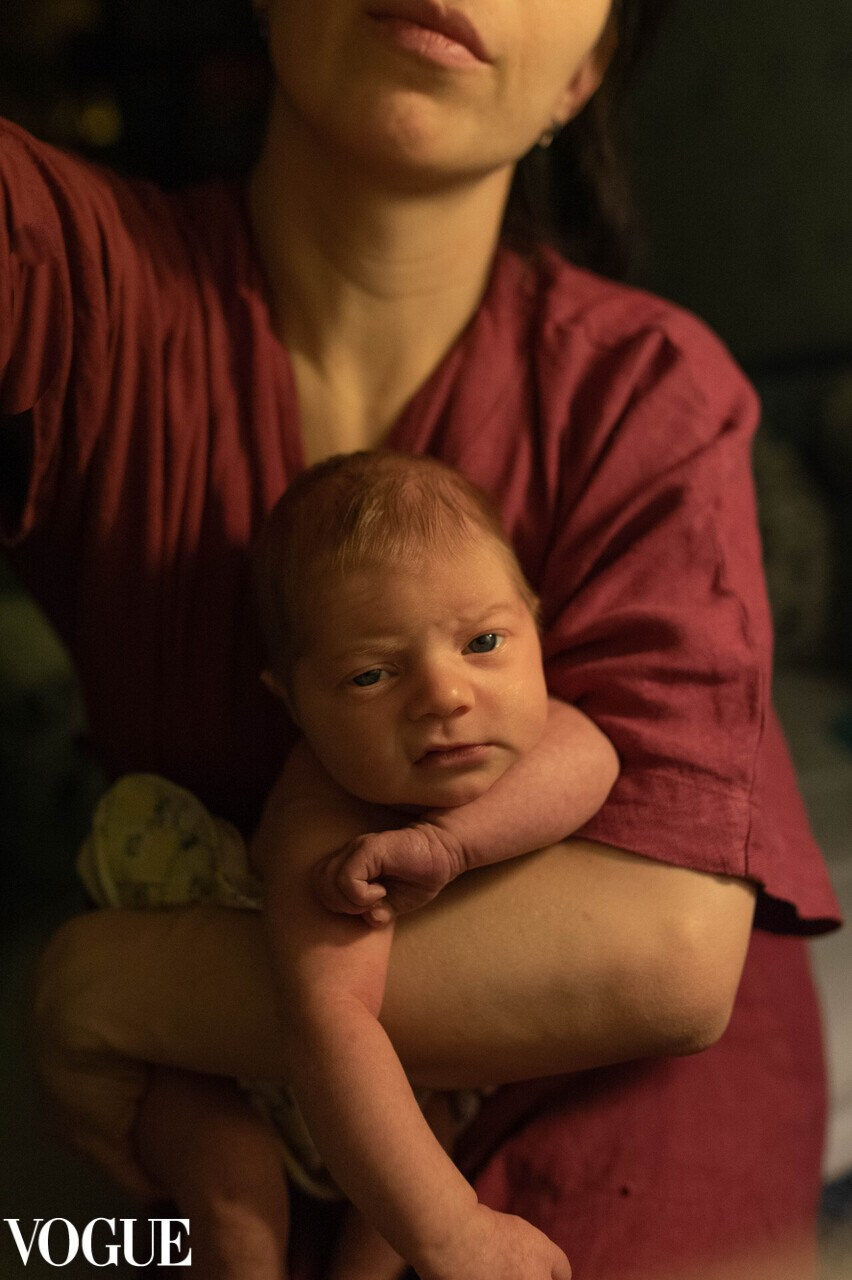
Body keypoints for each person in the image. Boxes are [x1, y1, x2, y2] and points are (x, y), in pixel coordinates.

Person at [2, 0, 841, 1276]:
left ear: (587, 72)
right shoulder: (75, 289)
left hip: (624, 1095)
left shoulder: (647, 391)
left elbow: (671, 956)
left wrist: (123, 982)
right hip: (257, 1111)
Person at [77, 449, 618, 1279]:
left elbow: (592, 759)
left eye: (482, 641)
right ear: (294, 703)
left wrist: (450, 844)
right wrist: (455, 1234)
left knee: (428, 1138)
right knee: (235, 1192)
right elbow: (330, 1024)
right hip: (239, 1082)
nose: (445, 695)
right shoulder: (324, 822)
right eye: (371, 675)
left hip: (412, 1092)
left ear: (535, 626)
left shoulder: (531, 736)